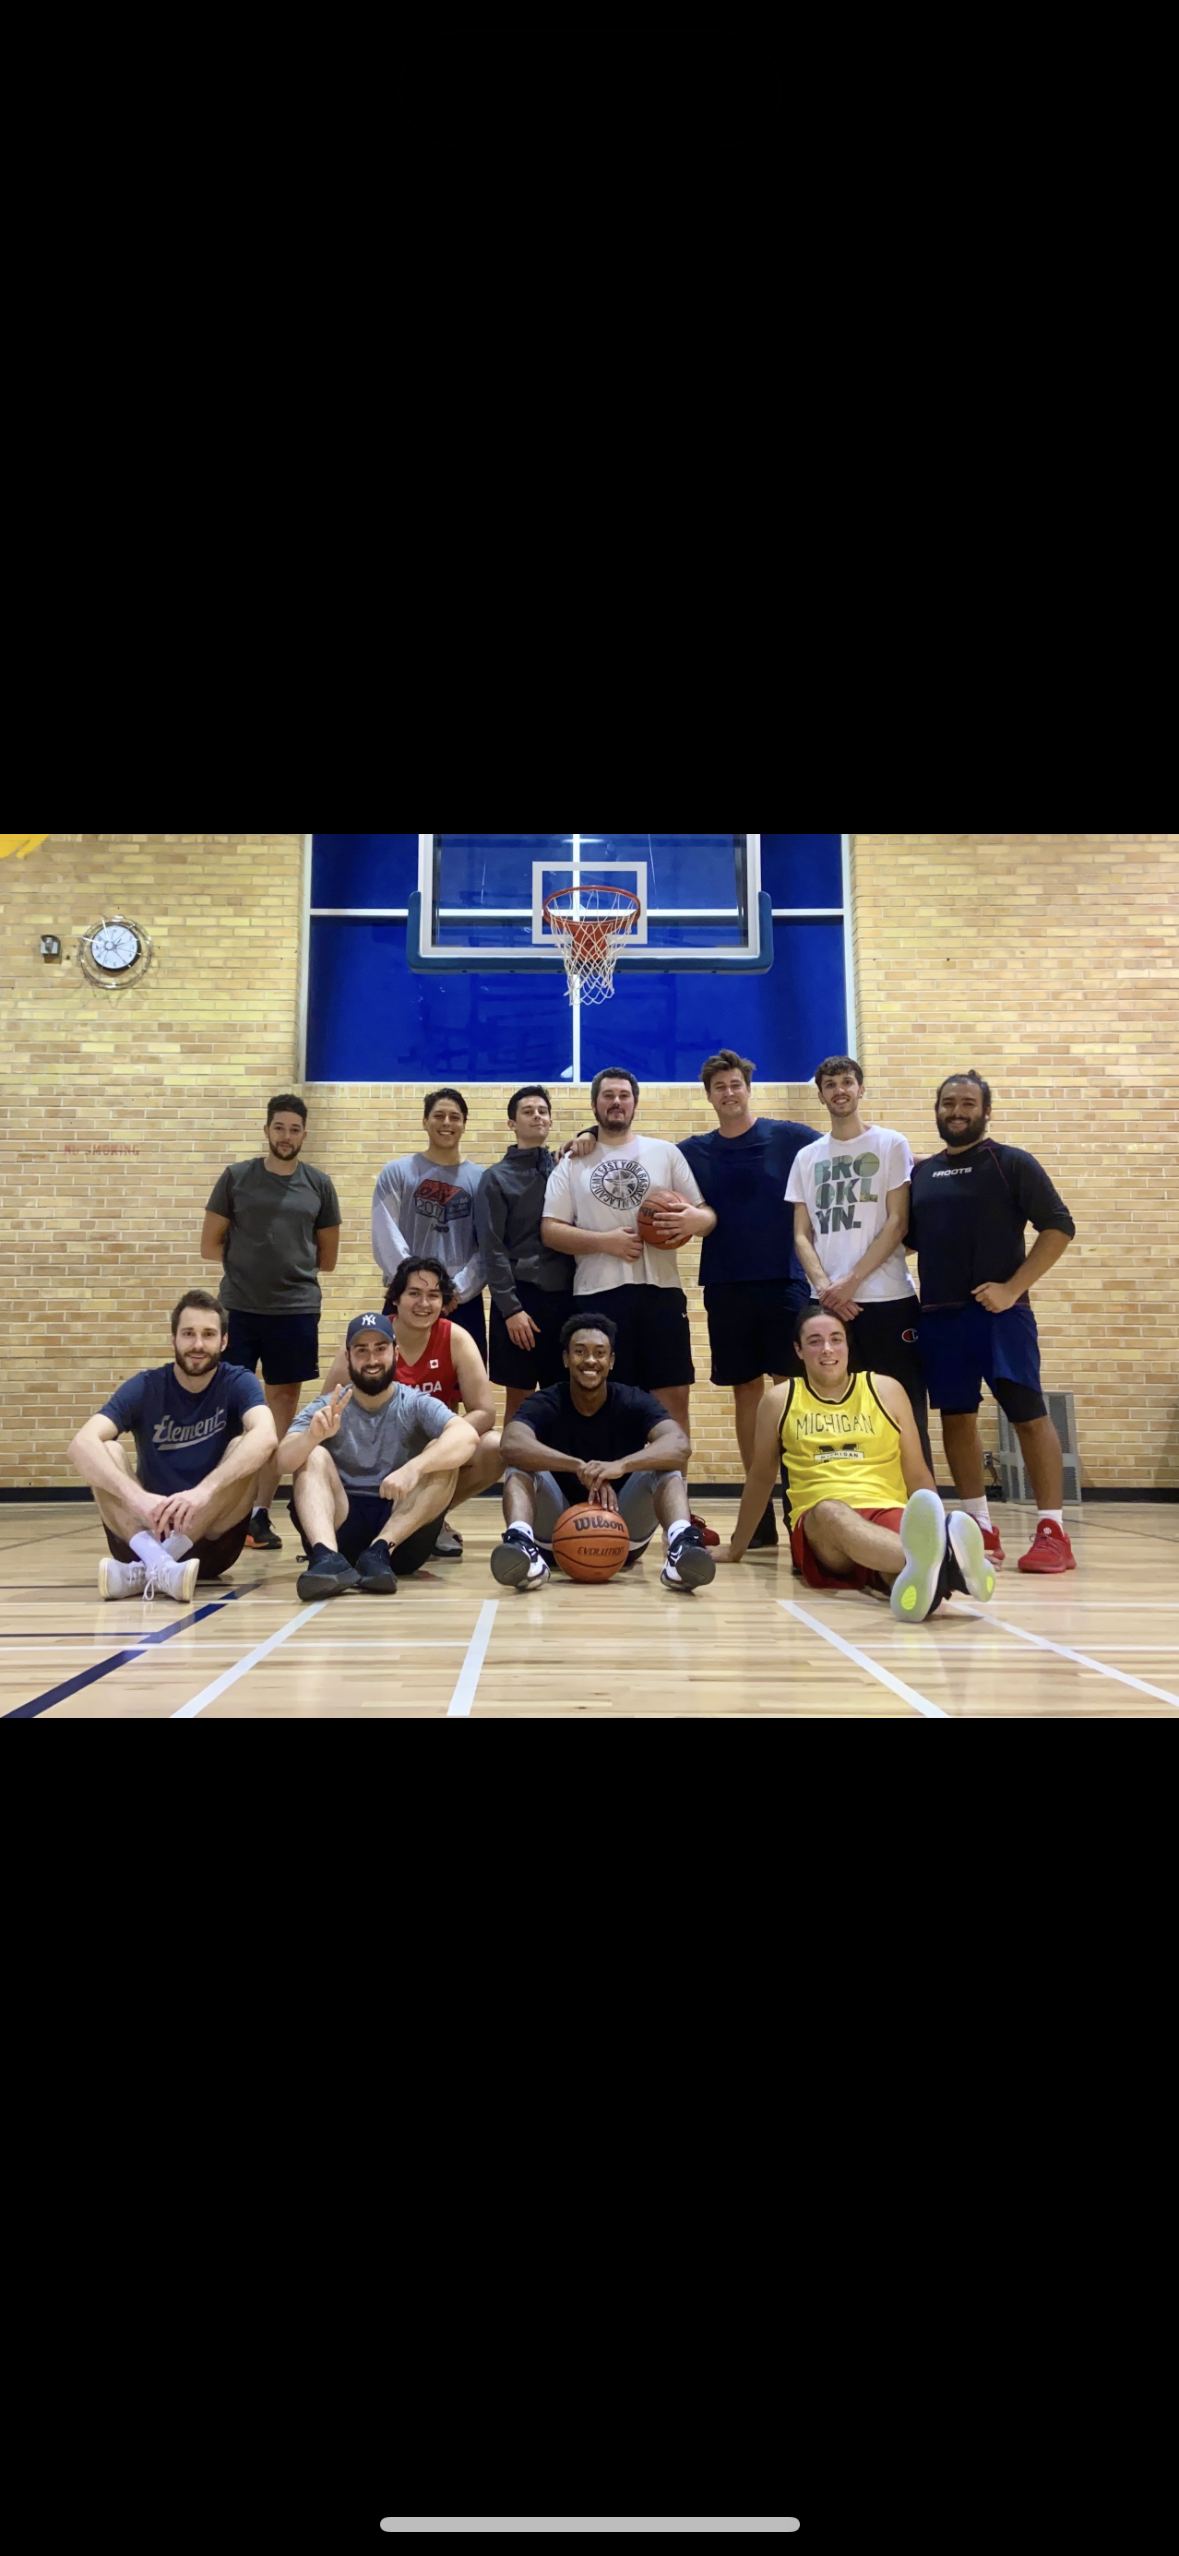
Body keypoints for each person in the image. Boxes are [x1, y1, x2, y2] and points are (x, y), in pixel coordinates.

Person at [721, 1306, 995, 1623]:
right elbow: (761, 1476)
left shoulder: (886, 1390)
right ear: (798, 1350)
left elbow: (916, 1472)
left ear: (848, 1346)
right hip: (820, 1525)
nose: (827, 1349)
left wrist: (937, 1522)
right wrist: (735, 1548)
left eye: (836, 1339)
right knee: (830, 1511)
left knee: (909, 1581)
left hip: (887, 1512)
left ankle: (933, 1574)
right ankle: (952, 1560)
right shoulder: (779, 1400)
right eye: (814, 1341)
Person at [908, 1072, 1077, 1575]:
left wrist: (1012, 1288)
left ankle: (1053, 1531)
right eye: (948, 1103)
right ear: (936, 1109)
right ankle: (978, 1524)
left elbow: (1059, 1226)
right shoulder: (921, 1174)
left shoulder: (1012, 1163)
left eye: (967, 1103)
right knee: (955, 1417)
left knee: (1027, 1413)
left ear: (986, 1111)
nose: (957, 1111)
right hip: (939, 1316)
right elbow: (911, 1238)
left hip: (1001, 1317)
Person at [678, 1049, 820, 1551]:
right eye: (720, 1087)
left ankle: (799, 1503)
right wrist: (582, 1141)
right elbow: (639, 1159)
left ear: (747, 1087)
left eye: (736, 1084)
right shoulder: (694, 1150)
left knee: (791, 1391)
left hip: (783, 1282)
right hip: (725, 1284)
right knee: (746, 1394)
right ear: (710, 1095)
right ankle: (758, 1513)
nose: (729, 1093)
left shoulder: (791, 1137)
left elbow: (843, 1153)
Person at [540, 1067, 715, 1450]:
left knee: (673, 1400)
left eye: (623, 1095)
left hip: (661, 1292)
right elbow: (550, 1230)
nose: (616, 1102)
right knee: (603, 1401)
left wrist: (691, 1219)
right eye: (608, 1095)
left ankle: (675, 1506)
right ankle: (608, 1500)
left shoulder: (665, 1153)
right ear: (594, 1104)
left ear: (634, 1103)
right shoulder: (572, 1161)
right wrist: (606, 1242)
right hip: (598, 1294)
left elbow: (706, 1216)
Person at [69, 1290, 279, 1603]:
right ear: (173, 1340)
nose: (197, 1344)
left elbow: (267, 1435)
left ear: (223, 1342)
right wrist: (138, 1499)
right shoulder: (147, 1385)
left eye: (208, 1335)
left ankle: (144, 1570)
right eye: (188, 1334)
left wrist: (202, 1492)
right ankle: (157, 1563)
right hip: (142, 1532)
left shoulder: (238, 1381)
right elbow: (80, 1444)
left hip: (212, 1542)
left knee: (244, 1444)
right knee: (106, 1450)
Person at [201, 1094, 342, 1555]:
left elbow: (328, 1257)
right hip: (239, 1309)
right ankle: (221, 1508)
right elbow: (209, 1244)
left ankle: (259, 1513)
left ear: (304, 1134)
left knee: (280, 1416)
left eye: (294, 1129)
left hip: (296, 1311)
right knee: (231, 1411)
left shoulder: (318, 1184)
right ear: (267, 1131)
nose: (286, 1136)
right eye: (279, 1127)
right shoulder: (236, 1177)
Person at [494, 1315, 716, 1595]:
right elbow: (510, 1443)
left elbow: (680, 1445)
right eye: (580, 1351)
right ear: (565, 1359)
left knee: (665, 1466)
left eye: (599, 1353)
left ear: (611, 1361)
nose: (590, 1360)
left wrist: (621, 1466)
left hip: (624, 1528)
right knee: (519, 1466)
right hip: (551, 1533)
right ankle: (520, 1544)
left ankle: (682, 1546)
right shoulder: (547, 1401)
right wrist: (578, 1467)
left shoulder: (632, 1400)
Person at [787, 1054, 932, 1469]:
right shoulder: (807, 1157)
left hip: (888, 1298)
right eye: (831, 1085)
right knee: (839, 1418)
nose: (840, 1090)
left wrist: (849, 1282)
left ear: (861, 1088)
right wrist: (827, 1291)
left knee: (903, 1415)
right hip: (830, 1307)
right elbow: (801, 1234)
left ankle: (917, 1514)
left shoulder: (890, 1144)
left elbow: (898, 1222)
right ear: (821, 1095)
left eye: (847, 1082)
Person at [278, 1315, 480, 1600]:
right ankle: (326, 1558)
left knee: (441, 1450)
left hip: (400, 1534)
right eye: (361, 1350)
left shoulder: (414, 1402)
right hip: (342, 1526)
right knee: (312, 1454)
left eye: (380, 1348)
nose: (372, 1359)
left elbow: (467, 1437)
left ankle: (379, 1551)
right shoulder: (328, 1406)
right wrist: (312, 1437)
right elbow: (282, 1461)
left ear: (395, 1353)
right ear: (348, 1357)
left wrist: (415, 1467)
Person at [322, 1257, 502, 1556]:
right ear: (396, 1298)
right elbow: (329, 1406)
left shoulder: (455, 1338)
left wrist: (442, 1443)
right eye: (414, 1293)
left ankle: (431, 1517)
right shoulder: (372, 1339)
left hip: (428, 1450)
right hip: (376, 1448)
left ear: (444, 1302)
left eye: (434, 1295)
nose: (424, 1303)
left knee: (494, 1446)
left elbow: (485, 1411)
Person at [477, 1085, 577, 1427]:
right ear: (512, 1124)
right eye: (528, 1111)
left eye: (542, 1111)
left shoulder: (565, 1169)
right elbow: (492, 1248)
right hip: (519, 1301)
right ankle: (516, 1481)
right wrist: (511, 1309)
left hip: (565, 1300)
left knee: (564, 1398)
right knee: (519, 1403)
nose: (537, 1116)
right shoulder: (495, 1178)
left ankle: (559, 1480)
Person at [371, 1088, 487, 1365]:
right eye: (439, 1116)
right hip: (405, 1298)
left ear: (464, 1124)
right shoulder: (397, 1173)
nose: (447, 1123)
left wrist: (453, 1293)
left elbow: (488, 1246)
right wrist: (416, 1289)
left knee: (457, 1388)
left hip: (460, 1301)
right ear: (425, 1122)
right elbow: (385, 1234)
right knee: (397, 1379)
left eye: (454, 1117)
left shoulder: (482, 1179)